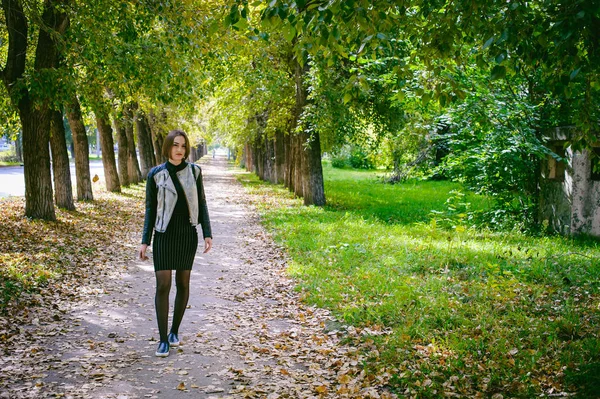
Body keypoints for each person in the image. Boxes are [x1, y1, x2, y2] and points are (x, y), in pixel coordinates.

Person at [138, 129, 212, 357]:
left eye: (183, 146)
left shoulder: (195, 172)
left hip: (186, 234)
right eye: (175, 145)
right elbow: (150, 209)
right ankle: (162, 340)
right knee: (162, 285)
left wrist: (207, 233)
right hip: (163, 234)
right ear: (168, 147)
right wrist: (145, 241)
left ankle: (174, 331)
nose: (180, 150)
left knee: (183, 284)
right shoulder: (155, 174)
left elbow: (202, 203)